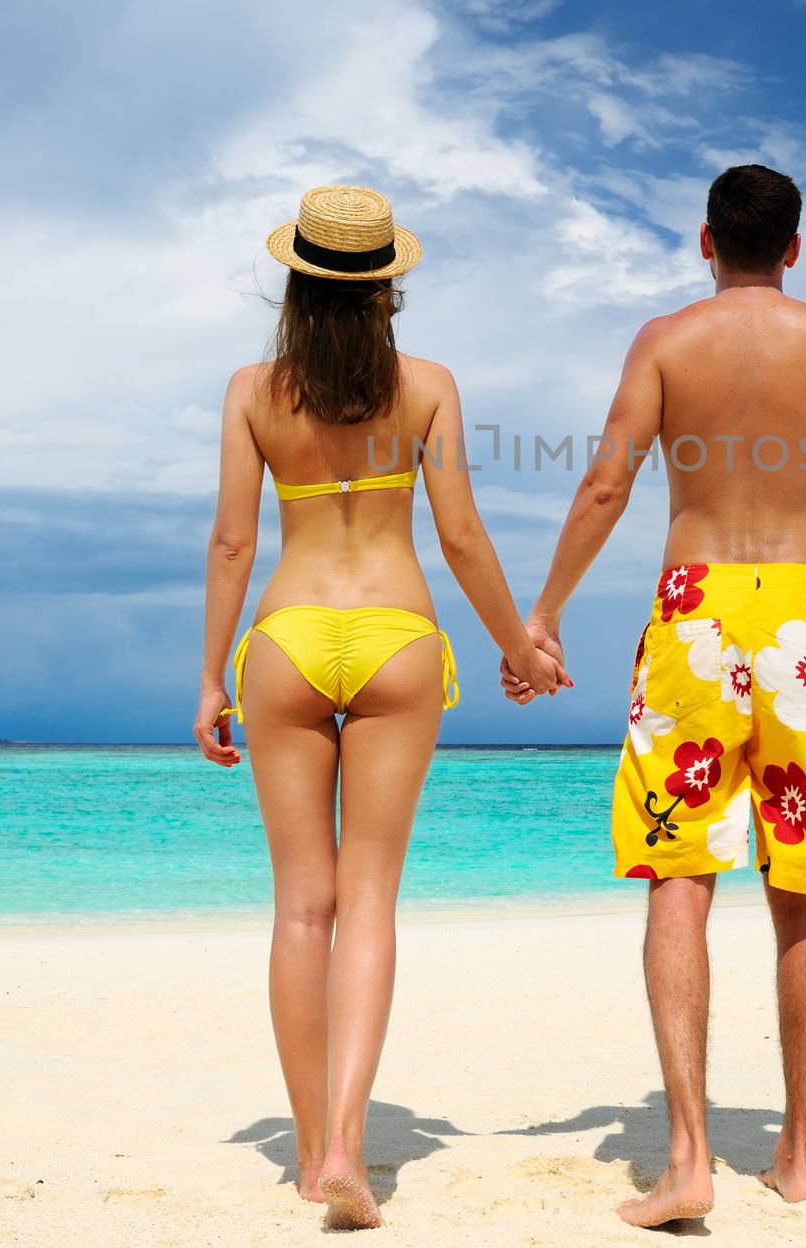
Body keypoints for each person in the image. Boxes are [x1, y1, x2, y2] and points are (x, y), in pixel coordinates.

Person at [503, 163, 806, 1227]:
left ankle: (690, 1156)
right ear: (793, 247)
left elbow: (606, 481)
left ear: (706, 241)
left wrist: (544, 613)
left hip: (695, 613)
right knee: (802, 886)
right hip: (801, 615)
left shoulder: (664, 342)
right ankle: (796, 1155)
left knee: (677, 875)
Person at [195, 184, 567, 1228]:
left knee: (299, 904)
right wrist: (521, 647)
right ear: (387, 282)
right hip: (401, 637)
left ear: (295, 279)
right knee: (368, 900)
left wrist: (208, 678)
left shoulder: (251, 391)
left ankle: (311, 1153)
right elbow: (459, 535)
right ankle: (355, 1147)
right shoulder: (431, 386)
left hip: (289, 640)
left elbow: (231, 542)